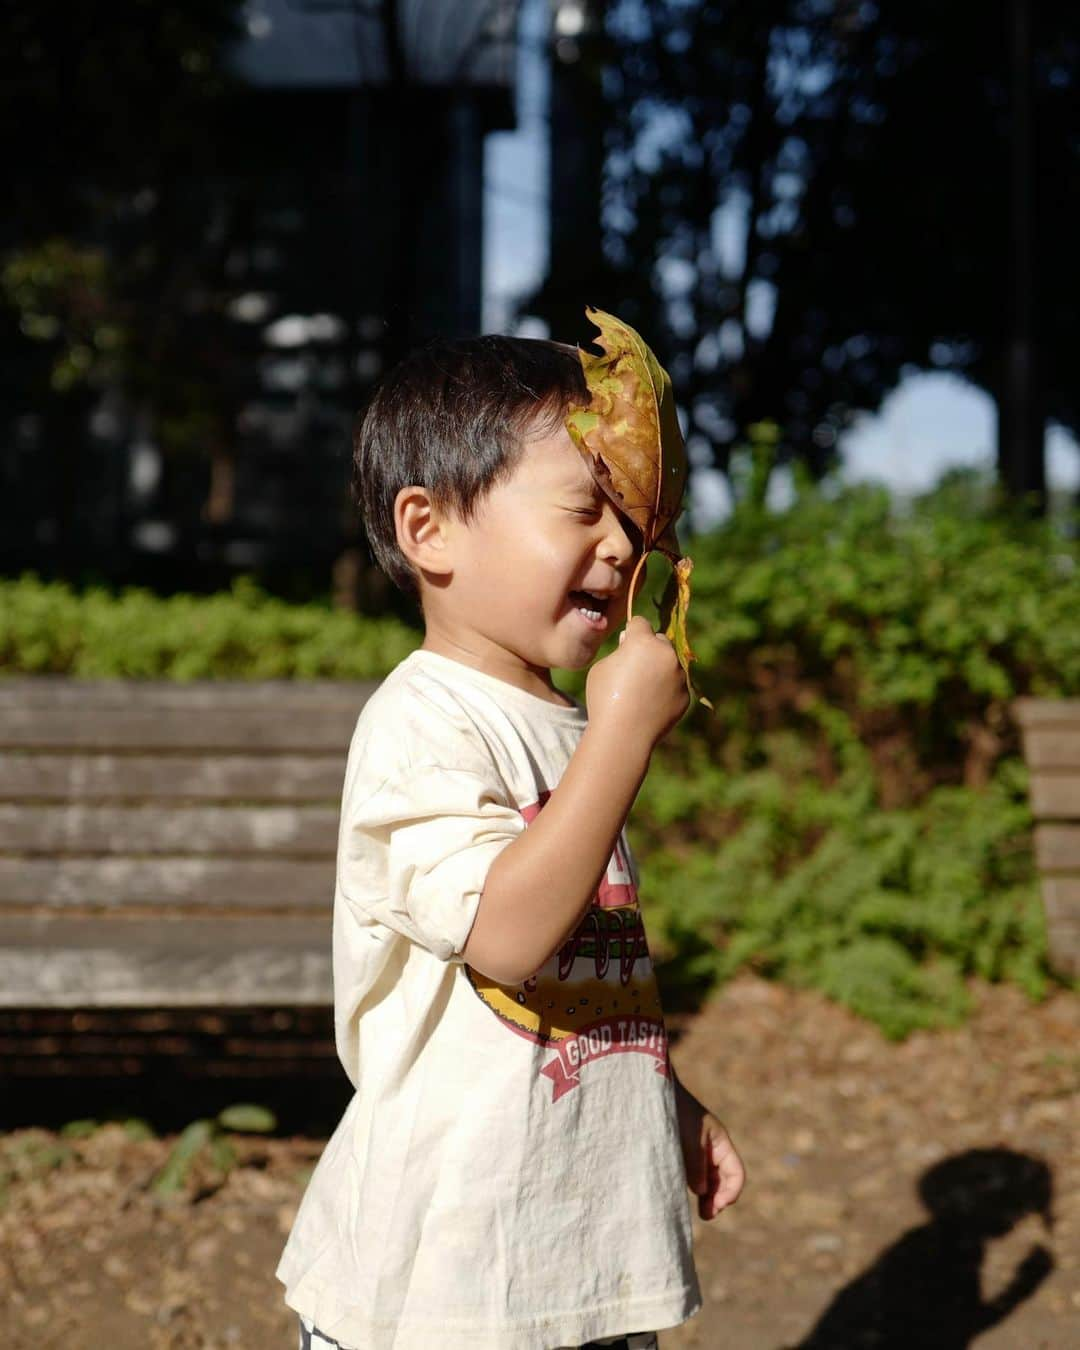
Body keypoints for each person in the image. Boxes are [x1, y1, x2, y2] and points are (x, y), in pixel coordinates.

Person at [277, 335, 745, 1350]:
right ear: (430, 528)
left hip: (577, 1261)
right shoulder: (423, 723)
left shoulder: (570, 733)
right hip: (441, 1286)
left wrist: (665, 1101)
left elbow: (586, 970)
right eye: (584, 509)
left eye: (632, 520)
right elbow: (507, 937)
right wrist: (623, 736)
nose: (622, 549)